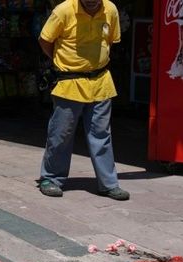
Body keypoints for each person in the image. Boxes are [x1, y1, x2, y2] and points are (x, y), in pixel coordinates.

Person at [37, 0, 130, 201]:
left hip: (101, 82)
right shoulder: (63, 11)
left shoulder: (110, 9)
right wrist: (60, 62)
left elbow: (111, 41)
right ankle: (51, 178)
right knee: (60, 134)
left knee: (101, 135)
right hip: (69, 83)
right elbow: (45, 40)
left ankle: (108, 184)